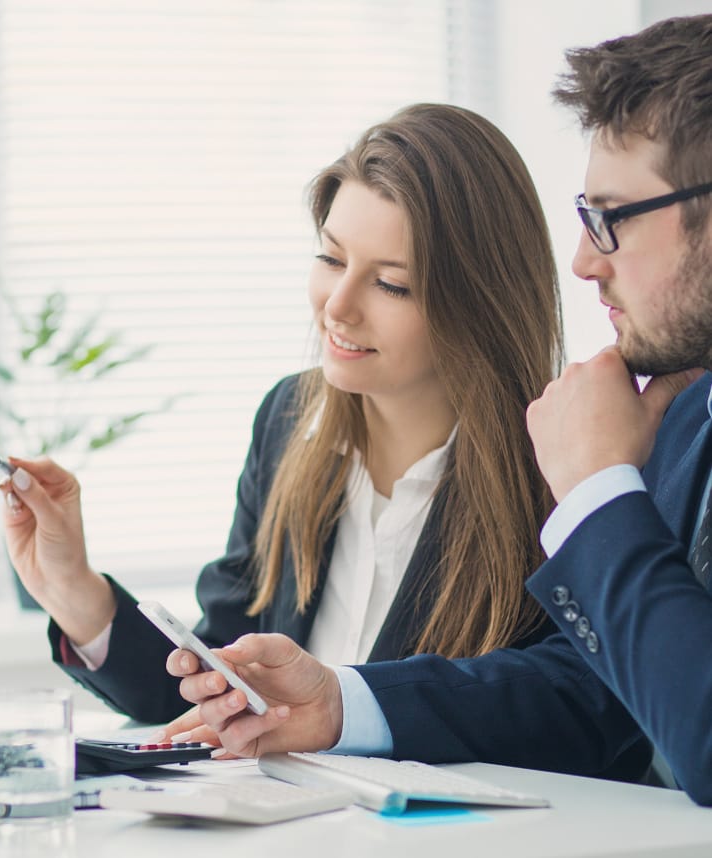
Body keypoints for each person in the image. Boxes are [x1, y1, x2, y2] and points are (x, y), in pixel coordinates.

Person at [163, 14, 712, 801]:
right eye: (329, 257)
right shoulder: (686, 416)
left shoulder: (584, 448)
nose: (584, 262)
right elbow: (600, 688)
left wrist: (594, 491)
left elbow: (627, 727)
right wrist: (337, 700)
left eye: (612, 218)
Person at [0, 104, 570, 732]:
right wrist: (74, 588)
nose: (339, 307)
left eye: (391, 285)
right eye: (331, 259)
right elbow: (214, 687)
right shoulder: (289, 420)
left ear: (482, 302)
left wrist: (344, 710)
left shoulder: (557, 463)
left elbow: (576, 711)